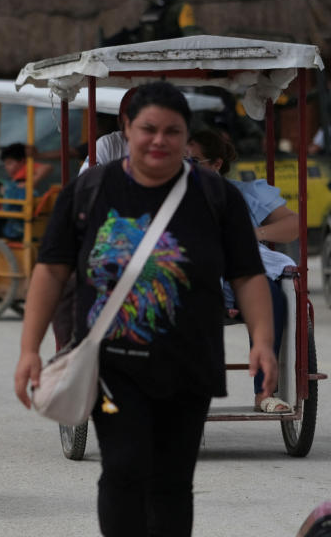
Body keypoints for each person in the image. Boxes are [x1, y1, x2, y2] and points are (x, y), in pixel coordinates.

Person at [14, 82, 278, 536]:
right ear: (127, 130)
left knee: (173, 481)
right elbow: (51, 271)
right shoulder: (89, 190)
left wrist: (264, 342)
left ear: (185, 135)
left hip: (190, 365)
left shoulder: (217, 196)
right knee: (124, 466)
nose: (160, 140)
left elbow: (247, 274)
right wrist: (29, 350)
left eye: (172, 131)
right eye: (148, 129)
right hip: (113, 366)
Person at [188, 128, 297, 413]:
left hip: (238, 272)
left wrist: (253, 233)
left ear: (216, 164)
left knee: (273, 295)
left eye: (193, 161)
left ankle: (265, 392)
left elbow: (292, 225)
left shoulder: (243, 193)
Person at [0, 143, 52, 240]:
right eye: (5, 164)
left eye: (9, 163)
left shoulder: (27, 168)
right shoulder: (14, 179)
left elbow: (46, 167)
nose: (6, 167)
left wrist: (29, 183)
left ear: (22, 161)